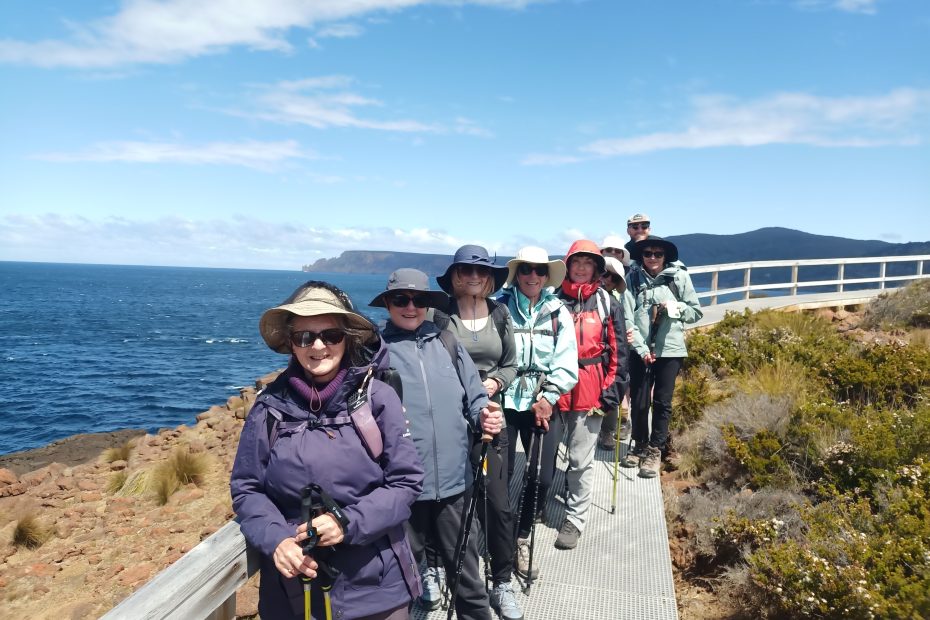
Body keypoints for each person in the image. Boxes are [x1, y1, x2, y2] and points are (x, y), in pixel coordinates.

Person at [231, 281, 424, 620]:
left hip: (376, 589)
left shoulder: (378, 399)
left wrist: (346, 522)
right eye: (304, 336)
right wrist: (277, 540)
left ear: (346, 338)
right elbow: (247, 488)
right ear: (291, 343)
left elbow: (406, 482)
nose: (318, 346)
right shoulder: (268, 408)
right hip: (293, 591)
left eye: (330, 335)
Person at [369, 268, 503, 620]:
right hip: (402, 487)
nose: (410, 307)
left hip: (457, 481)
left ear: (429, 304)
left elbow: (475, 398)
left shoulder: (448, 343)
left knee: (469, 578)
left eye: (419, 299)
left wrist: (485, 416)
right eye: (401, 299)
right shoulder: (375, 353)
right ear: (387, 303)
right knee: (403, 578)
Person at [433, 245, 522, 620]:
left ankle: (502, 580)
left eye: (480, 271)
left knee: (498, 503)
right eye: (465, 270)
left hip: (490, 420)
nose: (473, 277)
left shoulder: (500, 313)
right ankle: (441, 567)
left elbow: (511, 364)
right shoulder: (440, 315)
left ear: (489, 278)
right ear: (454, 276)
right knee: (450, 499)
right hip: (451, 422)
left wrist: (495, 385)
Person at [498, 246, 578, 578]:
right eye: (527, 269)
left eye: (539, 270)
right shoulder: (499, 309)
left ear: (547, 276)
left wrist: (550, 395)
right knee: (498, 477)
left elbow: (567, 362)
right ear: (516, 274)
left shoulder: (559, 312)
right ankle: (501, 540)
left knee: (542, 477)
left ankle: (522, 534)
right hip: (503, 401)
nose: (533, 276)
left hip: (541, 403)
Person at [553, 240, 628, 550]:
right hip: (555, 390)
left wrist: (610, 394)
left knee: (580, 459)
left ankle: (575, 518)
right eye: (576, 261)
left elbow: (618, 353)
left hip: (591, 389)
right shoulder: (553, 301)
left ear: (598, 268)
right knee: (551, 457)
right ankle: (548, 497)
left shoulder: (608, 303)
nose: (582, 267)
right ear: (568, 266)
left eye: (588, 262)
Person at [625, 237, 703, 478]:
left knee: (662, 402)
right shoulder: (633, 278)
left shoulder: (678, 277)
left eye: (658, 254)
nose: (652, 258)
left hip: (670, 349)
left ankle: (655, 449)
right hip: (640, 350)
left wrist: (675, 308)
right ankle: (638, 442)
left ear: (665, 256)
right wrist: (641, 348)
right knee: (638, 400)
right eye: (647, 253)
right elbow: (627, 317)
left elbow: (695, 312)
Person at [596, 252, 635, 451]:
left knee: (609, 391)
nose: (607, 279)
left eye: (613, 277)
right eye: (604, 273)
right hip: (589, 358)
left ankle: (607, 431)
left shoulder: (615, 304)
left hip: (609, 356)